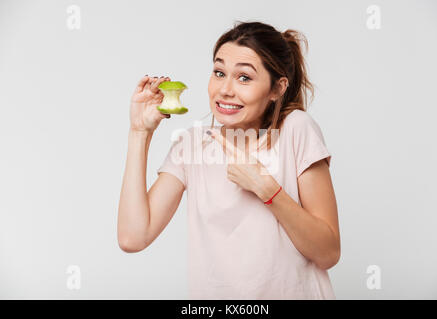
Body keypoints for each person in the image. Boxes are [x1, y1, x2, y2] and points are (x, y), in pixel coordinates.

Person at [118, 21, 340, 300]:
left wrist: (267, 190)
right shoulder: (192, 145)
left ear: (277, 89)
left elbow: (328, 253)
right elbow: (133, 237)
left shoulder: (296, 129)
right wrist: (140, 132)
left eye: (244, 77)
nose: (225, 89)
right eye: (219, 72)